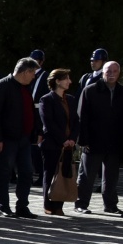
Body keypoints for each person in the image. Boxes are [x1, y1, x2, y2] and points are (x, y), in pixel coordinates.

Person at [75, 60, 123, 214]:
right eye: (108, 71)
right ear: (103, 73)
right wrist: (83, 140)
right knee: (87, 175)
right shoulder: (90, 90)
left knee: (111, 176)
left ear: (119, 73)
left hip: (115, 142)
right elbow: (82, 117)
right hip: (93, 141)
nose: (111, 74)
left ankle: (111, 205)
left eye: (115, 71)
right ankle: (81, 203)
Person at [0, 57, 41, 218]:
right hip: (6, 139)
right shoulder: (1, 86)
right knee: (4, 173)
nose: (34, 76)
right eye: (33, 73)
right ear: (26, 72)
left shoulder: (26, 88)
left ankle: (22, 206)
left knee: (26, 172)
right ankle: (3, 206)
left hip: (24, 139)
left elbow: (31, 111)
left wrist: (36, 132)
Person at [38, 69, 77, 217]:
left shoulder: (71, 100)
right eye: (66, 78)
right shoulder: (46, 100)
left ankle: (59, 204)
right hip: (52, 144)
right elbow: (48, 123)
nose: (69, 81)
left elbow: (76, 121)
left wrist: (72, 138)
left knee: (64, 173)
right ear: (58, 81)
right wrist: (63, 140)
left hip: (68, 145)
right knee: (50, 174)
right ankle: (49, 204)